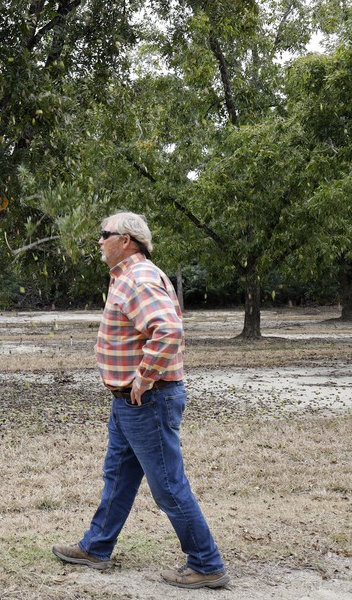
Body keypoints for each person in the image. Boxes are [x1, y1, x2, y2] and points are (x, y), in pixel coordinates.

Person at [52, 212, 229, 590]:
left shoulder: (139, 277)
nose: (99, 241)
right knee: (118, 475)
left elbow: (167, 330)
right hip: (130, 403)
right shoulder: (128, 276)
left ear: (127, 240)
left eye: (105, 234)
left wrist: (145, 377)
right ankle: (96, 547)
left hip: (147, 400)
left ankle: (206, 563)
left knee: (167, 485)